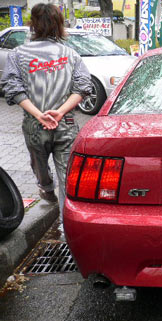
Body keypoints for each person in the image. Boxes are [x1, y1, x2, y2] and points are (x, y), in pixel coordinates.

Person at [0, 3, 92, 220]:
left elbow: (12, 88)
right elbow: (83, 87)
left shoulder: (18, 54)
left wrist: (39, 114)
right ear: (59, 24)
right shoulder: (71, 54)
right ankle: (67, 229)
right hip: (66, 123)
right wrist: (59, 112)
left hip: (34, 124)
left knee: (39, 166)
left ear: (33, 24)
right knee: (68, 179)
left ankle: (46, 189)